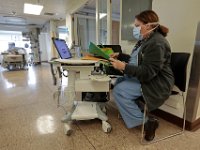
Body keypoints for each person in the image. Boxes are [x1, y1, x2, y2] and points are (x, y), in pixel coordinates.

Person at [109, 10, 174, 141]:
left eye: (137, 25)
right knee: (119, 82)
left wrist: (124, 67)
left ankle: (148, 122)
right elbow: (138, 60)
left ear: (148, 25)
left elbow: (148, 72)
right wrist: (121, 56)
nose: (135, 29)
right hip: (147, 77)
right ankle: (138, 112)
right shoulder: (145, 40)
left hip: (157, 82)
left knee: (119, 91)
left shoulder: (157, 43)